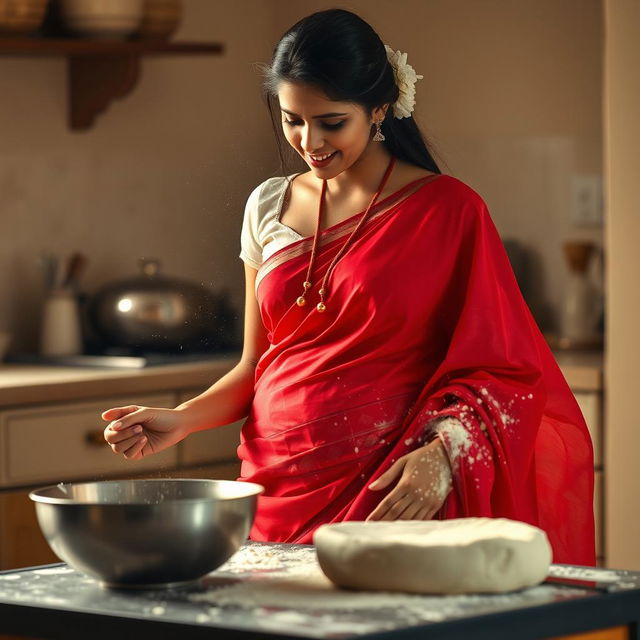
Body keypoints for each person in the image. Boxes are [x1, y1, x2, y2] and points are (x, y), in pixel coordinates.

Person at [102, 8, 595, 565]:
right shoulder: (268, 205)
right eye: (292, 119)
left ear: (379, 108)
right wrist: (181, 420)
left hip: (387, 492)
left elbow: (505, 369)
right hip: (273, 489)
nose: (308, 141)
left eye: (331, 122)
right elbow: (254, 368)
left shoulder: (448, 211)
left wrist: (446, 453)